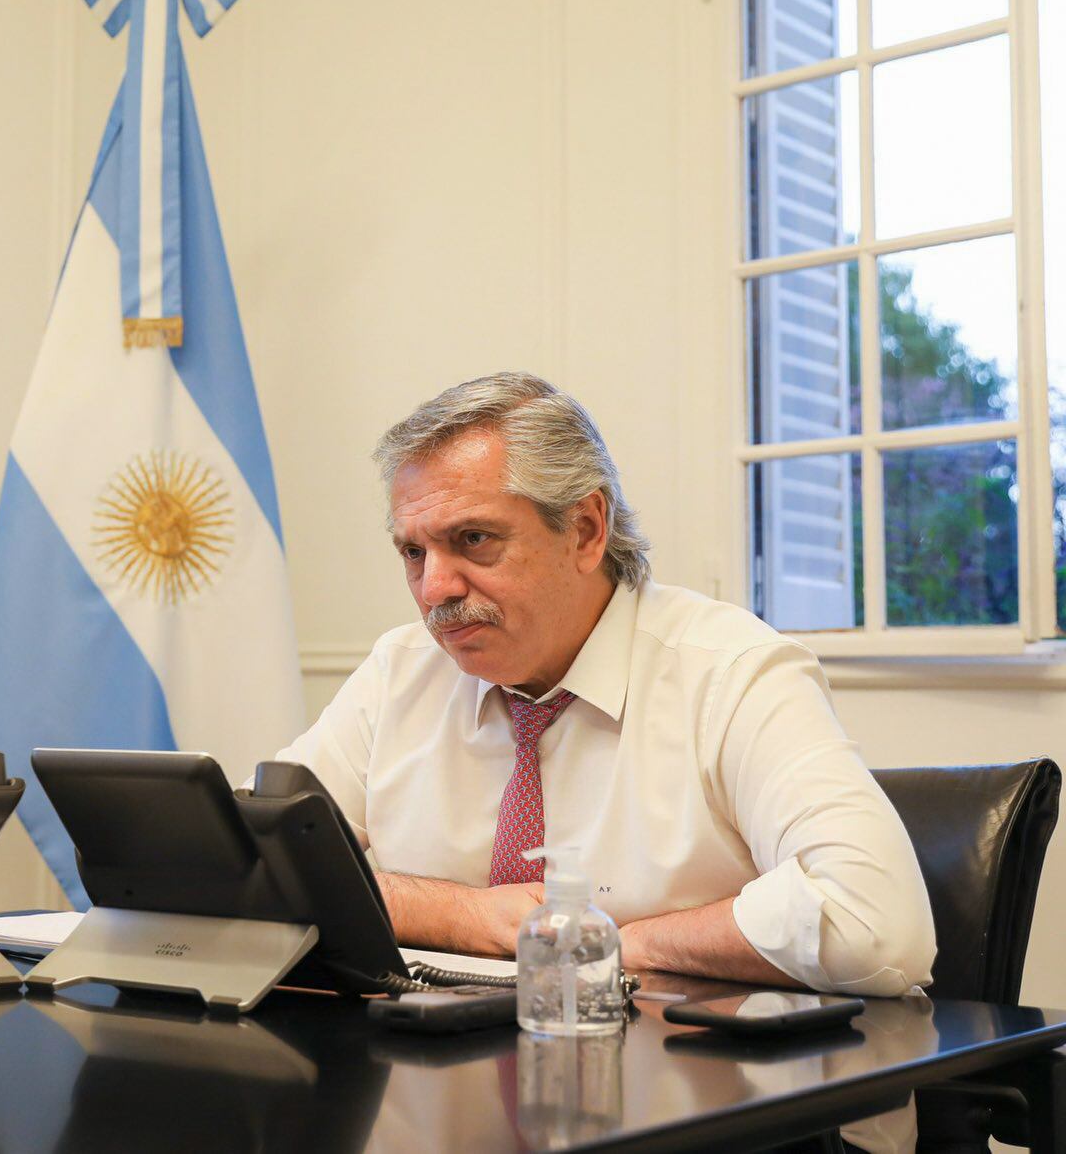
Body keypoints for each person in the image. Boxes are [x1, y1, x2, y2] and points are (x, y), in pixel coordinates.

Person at [277, 372, 934, 995]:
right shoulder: (402, 670)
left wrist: (614, 945)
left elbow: (875, 922)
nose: (434, 588)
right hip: (440, 1083)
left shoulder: (728, 672)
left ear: (587, 530)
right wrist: (460, 917)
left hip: (691, 1087)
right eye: (413, 553)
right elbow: (254, 868)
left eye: (473, 539)